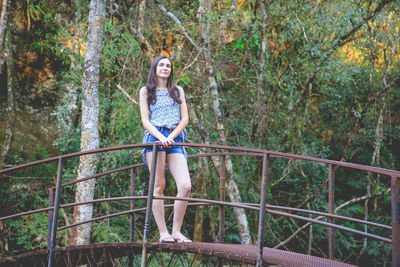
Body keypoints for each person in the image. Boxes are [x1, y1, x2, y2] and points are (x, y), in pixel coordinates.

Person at [139, 55, 192, 243]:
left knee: (185, 185)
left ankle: (176, 231)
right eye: (161, 65)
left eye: (168, 66)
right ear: (154, 68)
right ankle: (164, 233)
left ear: (171, 70)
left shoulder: (178, 91)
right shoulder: (146, 91)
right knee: (158, 186)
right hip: (155, 137)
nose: (164, 68)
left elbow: (184, 119)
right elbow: (145, 121)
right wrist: (161, 138)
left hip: (174, 137)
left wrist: (170, 137)